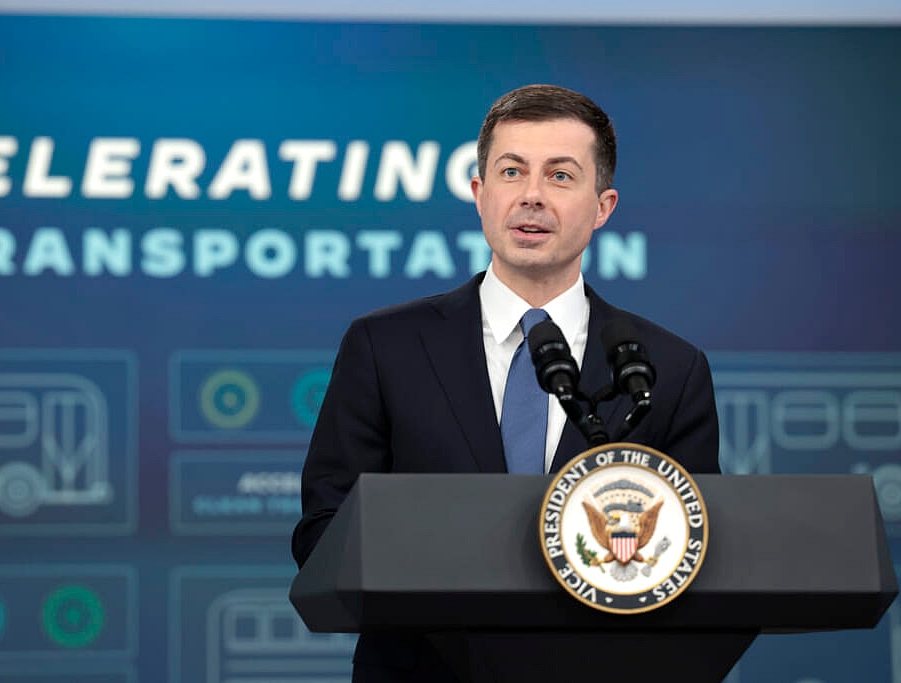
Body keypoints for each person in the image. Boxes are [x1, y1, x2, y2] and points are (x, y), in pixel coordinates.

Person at [291, 84, 721, 682]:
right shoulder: (384, 346)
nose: (532, 197)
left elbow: (693, 559)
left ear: (604, 206)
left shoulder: (665, 369)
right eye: (511, 171)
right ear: (479, 193)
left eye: (561, 176)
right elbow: (323, 534)